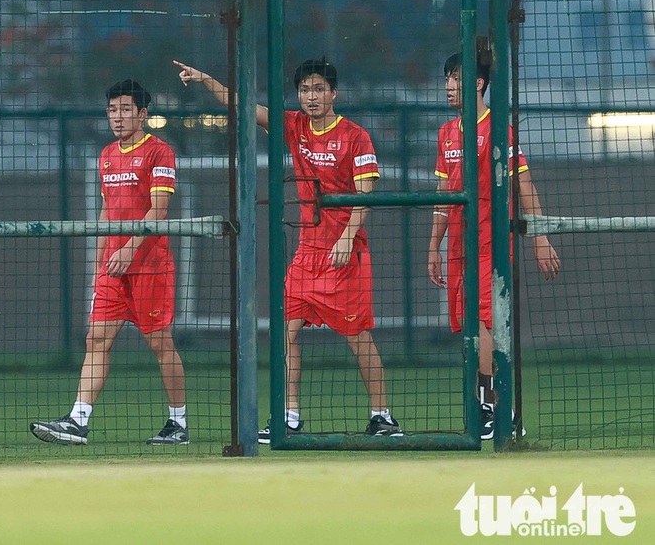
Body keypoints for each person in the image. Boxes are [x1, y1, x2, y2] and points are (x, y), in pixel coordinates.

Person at [175, 58, 402, 440]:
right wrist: (205, 79)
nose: (311, 97)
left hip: (346, 252)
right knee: (287, 331)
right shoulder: (294, 125)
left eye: (318, 89)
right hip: (306, 253)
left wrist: (346, 237)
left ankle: (383, 416)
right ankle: (289, 416)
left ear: (333, 93)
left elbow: (366, 196)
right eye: (304, 90)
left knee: (358, 336)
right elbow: (243, 107)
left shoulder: (355, 136)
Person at [31, 79, 189, 446]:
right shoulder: (106, 155)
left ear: (143, 114)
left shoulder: (159, 152)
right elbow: (106, 212)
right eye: (112, 111)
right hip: (113, 269)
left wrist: (129, 249)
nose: (117, 117)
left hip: (149, 265)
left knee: (160, 344)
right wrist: (99, 261)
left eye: (125, 110)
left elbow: (159, 210)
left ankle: (178, 424)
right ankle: (77, 421)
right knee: (96, 339)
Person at [427, 53, 561, 440]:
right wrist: (433, 246)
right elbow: (443, 195)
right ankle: (502, 412)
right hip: (458, 248)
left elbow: (525, 186)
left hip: (492, 244)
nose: (449, 86)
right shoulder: (447, 133)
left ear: (479, 83)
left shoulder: (499, 128)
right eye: (447, 78)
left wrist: (539, 237)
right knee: (472, 331)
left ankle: (489, 407)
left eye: (456, 78)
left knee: (485, 323)